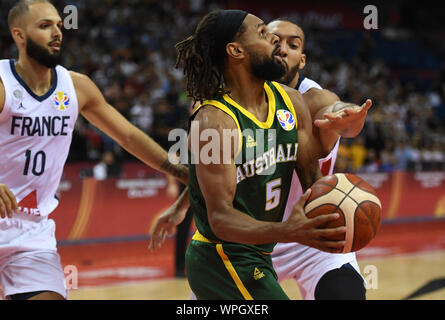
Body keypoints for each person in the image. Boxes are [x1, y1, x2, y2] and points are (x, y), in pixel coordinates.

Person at [150, 16, 372, 300]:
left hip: (270, 247)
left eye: (290, 43)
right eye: (264, 34)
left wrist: (340, 213)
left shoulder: (292, 101)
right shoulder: (214, 121)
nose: (277, 44)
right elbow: (220, 218)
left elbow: (312, 179)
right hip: (223, 258)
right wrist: (289, 230)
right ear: (236, 51)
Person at [0, 0, 187, 300]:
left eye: (59, 25)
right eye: (45, 26)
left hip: (31, 233)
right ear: (19, 35)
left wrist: (178, 171)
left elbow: (127, 135)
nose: (57, 32)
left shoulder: (76, 86)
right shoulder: (3, 83)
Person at [267, 18, 370, 300]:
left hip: (313, 237)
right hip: (250, 240)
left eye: (292, 44)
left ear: (302, 60)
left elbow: (338, 112)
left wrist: (350, 118)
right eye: (274, 41)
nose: (282, 49)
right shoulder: (233, 102)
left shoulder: (315, 98)